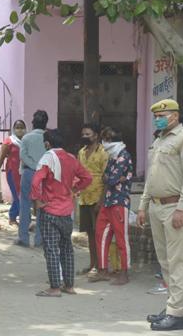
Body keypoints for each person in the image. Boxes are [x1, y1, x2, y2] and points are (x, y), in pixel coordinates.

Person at [137, 99, 183, 331]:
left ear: (174, 116)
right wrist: (143, 206)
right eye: (155, 116)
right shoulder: (159, 140)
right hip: (156, 206)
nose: (157, 119)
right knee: (165, 261)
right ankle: (175, 306)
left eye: (161, 115)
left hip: (175, 207)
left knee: (178, 261)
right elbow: (152, 178)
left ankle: (176, 314)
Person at [31, 129, 92, 297]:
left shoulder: (47, 158)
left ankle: (55, 287)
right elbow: (87, 178)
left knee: (51, 249)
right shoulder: (72, 158)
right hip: (67, 210)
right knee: (67, 248)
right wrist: (74, 189)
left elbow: (36, 181)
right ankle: (69, 285)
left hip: (50, 209)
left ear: (47, 143)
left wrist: (37, 200)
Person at [88, 127, 133, 285]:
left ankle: (124, 272)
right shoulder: (114, 157)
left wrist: (113, 178)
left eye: (106, 139)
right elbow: (105, 177)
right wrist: (113, 178)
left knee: (121, 238)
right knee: (100, 235)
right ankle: (102, 269)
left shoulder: (123, 156)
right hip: (108, 201)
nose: (103, 143)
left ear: (113, 141)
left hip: (119, 202)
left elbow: (111, 179)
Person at [77, 123, 108, 276]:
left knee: (98, 233)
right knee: (89, 233)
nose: (85, 137)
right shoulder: (81, 152)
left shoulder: (103, 152)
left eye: (88, 134)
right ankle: (92, 264)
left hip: (97, 197)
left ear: (96, 135)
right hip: (84, 197)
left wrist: (102, 201)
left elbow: (107, 179)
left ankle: (101, 266)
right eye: (83, 134)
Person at [18, 110, 49, 248]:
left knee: (25, 204)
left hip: (29, 173)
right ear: (45, 123)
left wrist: (34, 166)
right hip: (45, 174)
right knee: (42, 205)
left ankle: (23, 238)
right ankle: (39, 239)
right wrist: (40, 167)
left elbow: (23, 156)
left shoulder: (26, 138)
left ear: (33, 122)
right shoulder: (48, 137)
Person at [0, 120, 27, 226]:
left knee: (22, 196)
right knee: (17, 196)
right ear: (14, 129)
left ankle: (15, 216)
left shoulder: (27, 141)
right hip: (12, 173)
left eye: (22, 127)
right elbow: (1, 157)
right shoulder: (9, 142)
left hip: (25, 172)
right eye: (17, 127)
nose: (20, 130)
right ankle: (12, 218)